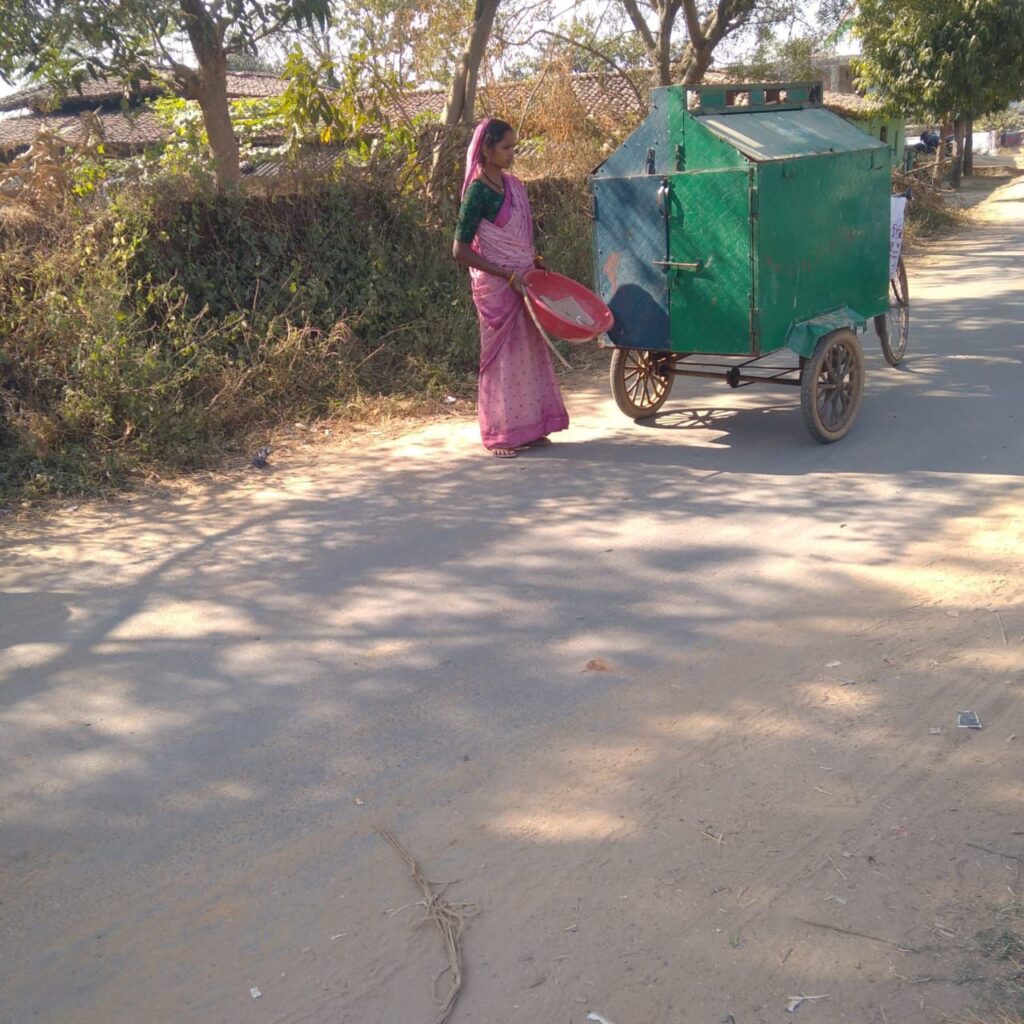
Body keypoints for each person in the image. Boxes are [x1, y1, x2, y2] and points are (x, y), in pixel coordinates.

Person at [452, 118, 570, 459]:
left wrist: (534, 261)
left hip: (524, 281)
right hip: (497, 289)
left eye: (514, 147)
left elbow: (519, 241)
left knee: (529, 353)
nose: (512, 154)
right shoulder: (477, 193)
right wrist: (506, 275)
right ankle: (500, 434)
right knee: (502, 359)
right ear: (486, 149)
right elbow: (460, 251)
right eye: (506, 147)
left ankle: (531, 427)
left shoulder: (513, 187)